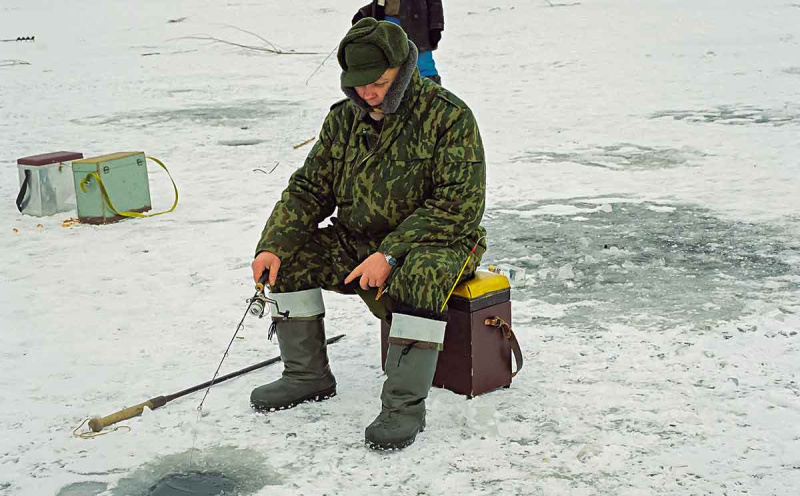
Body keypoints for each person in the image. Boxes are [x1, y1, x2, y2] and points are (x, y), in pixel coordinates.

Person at [250, 18, 486, 451]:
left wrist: (392, 253)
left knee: (421, 275)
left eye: (378, 82)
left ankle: (403, 406)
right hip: (359, 239)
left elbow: (459, 206)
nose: (368, 93)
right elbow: (310, 189)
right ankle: (307, 376)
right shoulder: (343, 121)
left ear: (403, 68)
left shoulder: (449, 116)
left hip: (440, 241)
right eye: (358, 84)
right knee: (292, 258)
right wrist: (273, 244)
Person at [352, 0, 444, 84]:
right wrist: (364, 13)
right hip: (389, 24)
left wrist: (436, 27)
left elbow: (434, 3)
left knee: (423, 65)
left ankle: (432, 96)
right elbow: (381, 3)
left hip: (417, 25)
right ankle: (400, 98)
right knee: (393, 67)